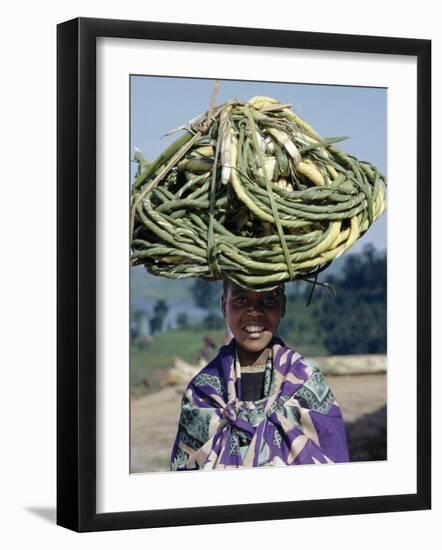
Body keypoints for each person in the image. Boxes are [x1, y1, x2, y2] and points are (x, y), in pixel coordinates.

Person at [170, 280, 349, 470]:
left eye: (269, 300)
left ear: (283, 306)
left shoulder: (306, 381)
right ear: (224, 306)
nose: (254, 312)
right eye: (241, 300)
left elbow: (333, 464)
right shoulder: (203, 391)